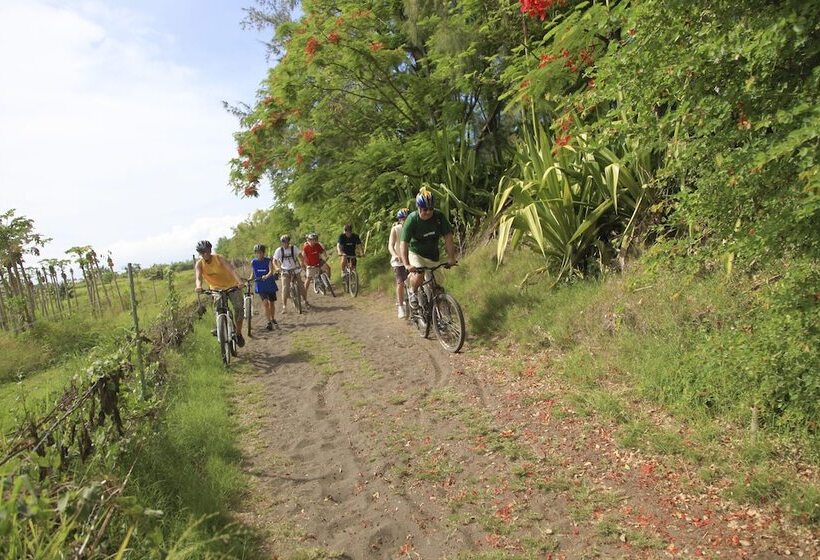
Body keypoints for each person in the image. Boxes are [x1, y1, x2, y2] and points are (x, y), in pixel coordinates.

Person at [400, 187, 457, 311]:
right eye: (425, 209)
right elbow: (404, 243)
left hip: (433, 255)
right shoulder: (412, 219)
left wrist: (451, 258)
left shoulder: (438, 216)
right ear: (418, 208)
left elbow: (448, 237)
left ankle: (439, 316)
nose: (428, 212)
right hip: (416, 253)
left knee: (436, 287)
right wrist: (406, 264)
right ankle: (412, 291)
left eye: (431, 209)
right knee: (419, 274)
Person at [194, 240, 245, 347]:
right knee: (218, 309)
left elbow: (231, 270)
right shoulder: (199, 264)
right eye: (203, 252)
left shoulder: (219, 258)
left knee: (239, 307)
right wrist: (198, 286)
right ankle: (220, 326)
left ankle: (238, 333)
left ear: (210, 250)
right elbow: (198, 277)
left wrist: (239, 281)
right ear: (200, 253)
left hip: (232, 285)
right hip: (216, 289)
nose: (206, 254)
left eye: (207, 251)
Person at [273, 234, 308, 312]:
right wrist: (277, 268)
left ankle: (305, 301)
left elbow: (300, 256)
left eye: (286, 242)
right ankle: (284, 307)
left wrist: (302, 263)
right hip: (285, 271)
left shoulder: (293, 248)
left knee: (301, 286)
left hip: (295, 269)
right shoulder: (279, 250)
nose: (285, 244)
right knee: (285, 288)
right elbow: (274, 261)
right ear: (281, 243)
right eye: (283, 242)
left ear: (289, 242)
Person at [250, 244, 278, 330]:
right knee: (265, 303)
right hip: (260, 285)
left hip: (270, 284)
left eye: (260, 252)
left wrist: (266, 276)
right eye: (257, 253)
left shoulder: (268, 260)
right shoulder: (253, 262)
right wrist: (250, 279)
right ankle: (268, 322)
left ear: (263, 252)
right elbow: (253, 273)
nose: (259, 254)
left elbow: (271, 271)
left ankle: (273, 318)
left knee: (271, 303)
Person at [388, 208, 410, 318]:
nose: (405, 221)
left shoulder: (413, 227)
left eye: (406, 218)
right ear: (399, 220)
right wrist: (395, 255)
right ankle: (400, 307)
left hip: (412, 258)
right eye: (403, 219)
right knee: (401, 283)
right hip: (399, 261)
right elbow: (391, 245)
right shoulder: (396, 229)